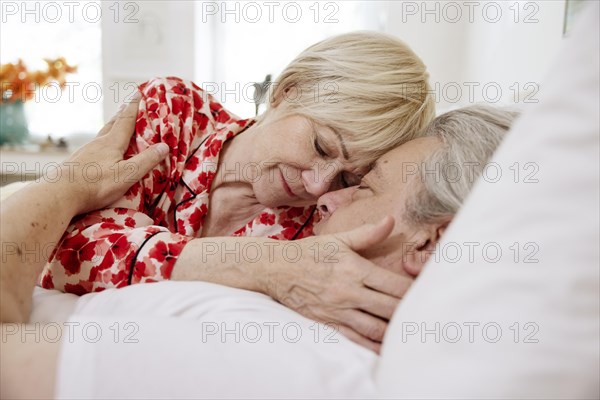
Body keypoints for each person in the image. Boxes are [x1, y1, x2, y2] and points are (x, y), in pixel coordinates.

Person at [0, 104, 515, 399]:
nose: (323, 195)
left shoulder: (253, 358)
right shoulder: (296, 319)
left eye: (363, 186)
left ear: (434, 242)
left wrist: (64, 185)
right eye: (319, 148)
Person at [39, 31, 435, 342]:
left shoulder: (319, 226)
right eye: (320, 146)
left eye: (348, 178)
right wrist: (260, 265)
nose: (318, 186)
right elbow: (69, 251)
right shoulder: (174, 111)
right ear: (287, 91)